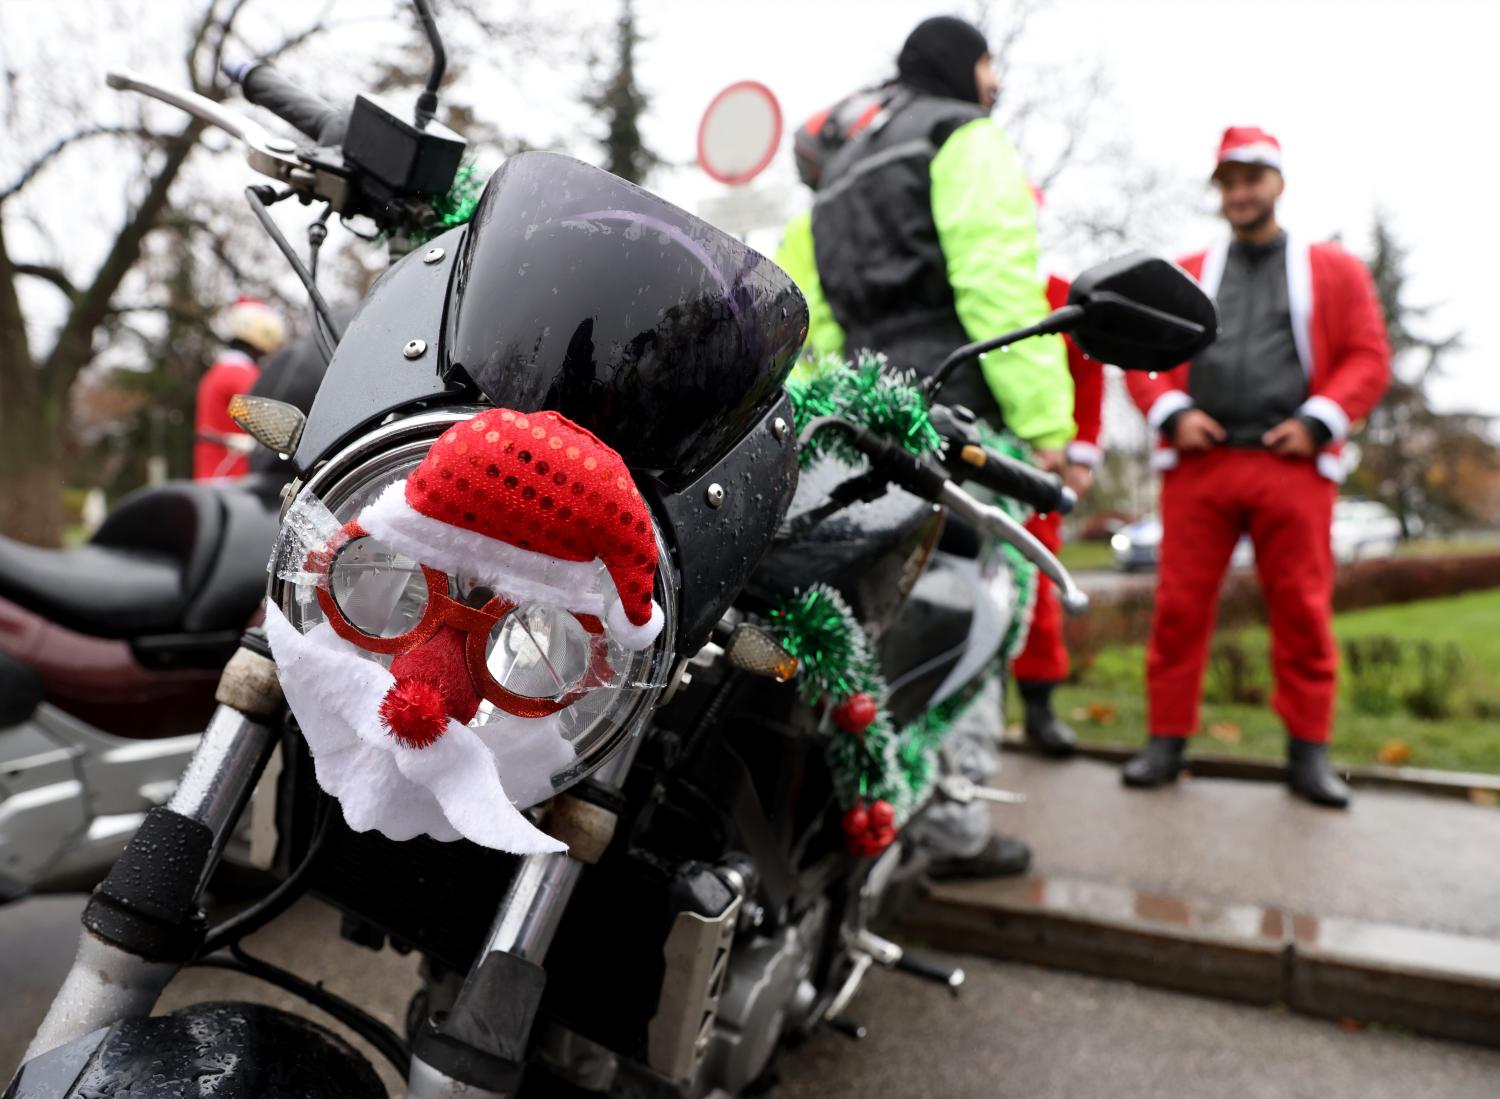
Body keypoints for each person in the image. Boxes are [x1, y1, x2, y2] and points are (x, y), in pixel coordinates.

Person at [780, 15, 1075, 879]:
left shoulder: (836, 175)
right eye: (990, 65)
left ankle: (853, 810)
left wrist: (845, 409)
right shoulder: (963, 135)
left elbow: (815, 318)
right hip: (959, 415)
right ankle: (947, 824)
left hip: (861, 414)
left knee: (870, 614)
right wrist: (1050, 424)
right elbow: (998, 286)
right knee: (975, 608)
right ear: (963, 66)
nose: (996, 83)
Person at [1122, 127, 1390, 807]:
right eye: (1229, 181)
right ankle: (1165, 743)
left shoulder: (1335, 270)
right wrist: (1173, 411)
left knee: (1302, 609)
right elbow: (1143, 354)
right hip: (1200, 464)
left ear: (1277, 182)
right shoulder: (1184, 270)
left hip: (1289, 462)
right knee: (1179, 607)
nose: (1240, 192)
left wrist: (1318, 420)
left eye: (1252, 178)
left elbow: (1367, 356)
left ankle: (1309, 755)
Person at [1011, 273, 1105, 757]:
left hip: (1033, 466)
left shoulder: (1058, 295)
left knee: (1038, 586)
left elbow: (1087, 377)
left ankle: (1038, 706)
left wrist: (1081, 452)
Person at [194, 296, 285, 480]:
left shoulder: (218, 372)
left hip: (214, 476)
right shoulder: (241, 375)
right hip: (233, 477)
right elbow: (270, 425)